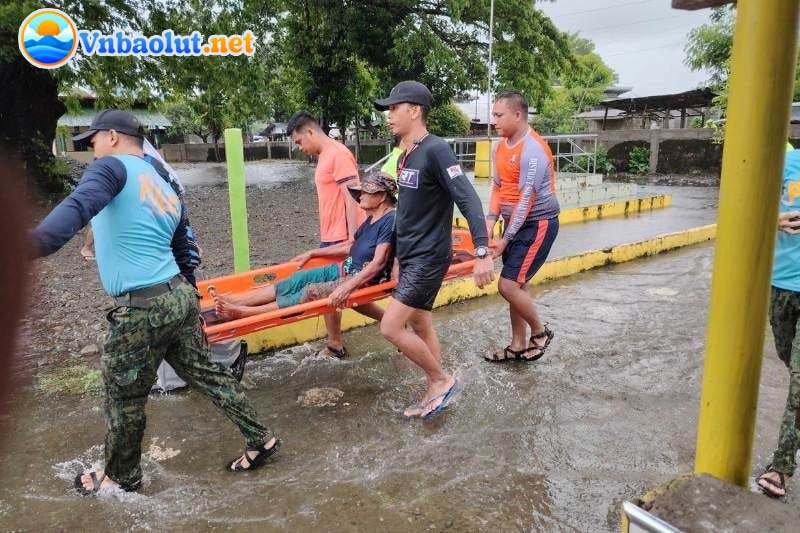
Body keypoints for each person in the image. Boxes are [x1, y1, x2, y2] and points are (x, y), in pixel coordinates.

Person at [31, 110, 279, 496]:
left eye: (92, 140)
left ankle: (121, 477)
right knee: (209, 376)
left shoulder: (110, 168)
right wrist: (191, 299)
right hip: (177, 296)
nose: (90, 149)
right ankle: (260, 437)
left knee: (124, 397)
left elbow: (78, 206)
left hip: (140, 309)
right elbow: (185, 247)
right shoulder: (163, 179)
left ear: (112, 136)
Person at [374, 81, 495, 419]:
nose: (388, 115)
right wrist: (396, 257)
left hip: (429, 256)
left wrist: (481, 252)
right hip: (411, 255)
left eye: (394, 108)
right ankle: (436, 387)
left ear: (414, 110)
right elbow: (407, 210)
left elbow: (467, 198)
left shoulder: (437, 149)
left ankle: (440, 379)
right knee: (421, 324)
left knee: (390, 327)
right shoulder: (405, 152)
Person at [215, 172, 397, 357]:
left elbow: (379, 262)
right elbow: (351, 245)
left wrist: (347, 287)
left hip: (363, 280)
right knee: (299, 278)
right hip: (345, 269)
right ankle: (237, 301)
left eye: (365, 193)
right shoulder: (373, 218)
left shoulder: (390, 220)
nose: (360, 197)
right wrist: (313, 252)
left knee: (311, 291)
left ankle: (243, 313)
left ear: (381, 196)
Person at [483, 91, 560, 362]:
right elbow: (498, 187)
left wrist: (505, 239)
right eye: (494, 115)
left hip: (536, 224)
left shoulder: (533, 150)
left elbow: (526, 201)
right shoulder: (500, 146)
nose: (494, 121)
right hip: (513, 223)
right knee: (517, 285)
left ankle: (540, 332)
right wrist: (490, 222)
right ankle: (517, 344)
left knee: (508, 286)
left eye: (498, 115)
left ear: (518, 115)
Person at [287, 110, 367, 356]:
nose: (300, 148)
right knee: (330, 290)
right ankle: (335, 343)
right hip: (331, 234)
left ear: (310, 131)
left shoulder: (338, 154)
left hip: (343, 237)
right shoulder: (325, 156)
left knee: (343, 291)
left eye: (299, 141)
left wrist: (353, 238)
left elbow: (352, 197)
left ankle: (390, 323)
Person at [756, 148, 800, 498]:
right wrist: (774, 220)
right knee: (789, 361)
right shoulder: (785, 163)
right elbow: (748, 205)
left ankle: (781, 466)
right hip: (781, 284)